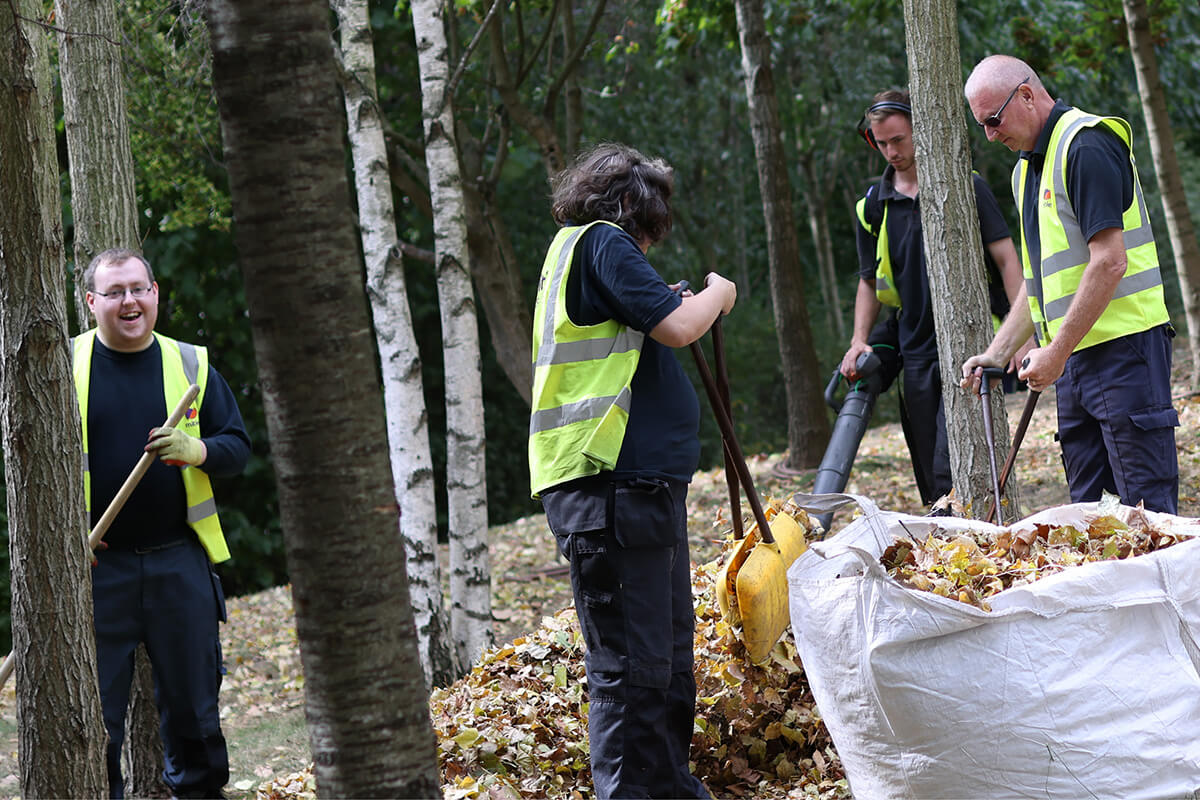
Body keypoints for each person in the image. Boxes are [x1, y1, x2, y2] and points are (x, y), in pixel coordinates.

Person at [528, 143, 736, 799]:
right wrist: (716, 295)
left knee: (666, 659)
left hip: (632, 489)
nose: (647, 246)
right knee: (631, 666)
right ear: (629, 210)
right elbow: (678, 327)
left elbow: (639, 326)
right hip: (609, 487)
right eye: (648, 229)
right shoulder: (603, 243)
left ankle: (670, 787)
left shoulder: (576, 252)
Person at [960, 55, 1178, 513]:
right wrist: (999, 353)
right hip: (1075, 360)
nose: (990, 135)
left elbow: (1110, 263)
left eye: (993, 120)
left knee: (1146, 513)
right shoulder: (1027, 170)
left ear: (1025, 94)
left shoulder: (1086, 146)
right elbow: (1040, 282)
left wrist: (1055, 352)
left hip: (1125, 354)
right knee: (1088, 515)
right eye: (982, 125)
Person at [76, 248, 251, 798]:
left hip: (179, 564)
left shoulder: (191, 366)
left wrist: (196, 449)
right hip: (96, 571)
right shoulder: (62, 366)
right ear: (91, 303)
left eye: (138, 289)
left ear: (155, 293)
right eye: (114, 292)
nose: (129, 302)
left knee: (194, 716)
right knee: (92, 725)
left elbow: (237, 448)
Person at [841, 88, 1027, 506]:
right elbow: (868, 281)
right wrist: (858, 340)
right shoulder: (873, 207)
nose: (890, 151)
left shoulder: (964, 187)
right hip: (915, 351)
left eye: (898, 140)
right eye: (881, 143)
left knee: (956, 460)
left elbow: (1006, 258)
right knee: (929, 466)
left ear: (920, 131)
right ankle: (945, 550)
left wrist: (1022, 335)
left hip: (973, 343)